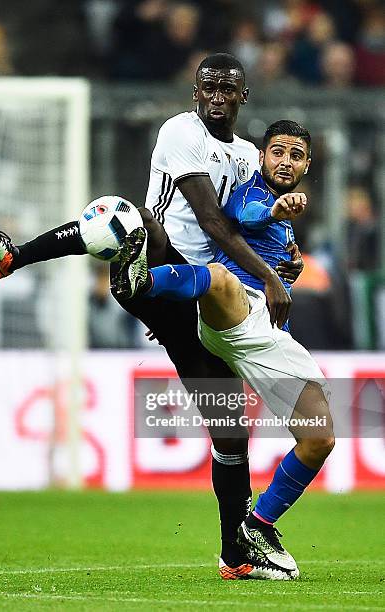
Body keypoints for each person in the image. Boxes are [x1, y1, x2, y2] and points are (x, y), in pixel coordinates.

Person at [0, 54, 304, 580]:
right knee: (125, 215)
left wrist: (285, 258)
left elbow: (246, 226)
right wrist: (264, 275)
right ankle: (13, 256)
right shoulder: (181, 132)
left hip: (201, 303)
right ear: (195, 92)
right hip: (161, 260)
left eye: (228, 89)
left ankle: (236, 554)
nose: (217, 97)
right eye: (208, 88)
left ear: (245, 97)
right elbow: (213, 222)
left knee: (228, 428)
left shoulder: (247, 156)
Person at [113, 119, 335, 578]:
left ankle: (255, 529)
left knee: (319, 438)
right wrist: (277, 212)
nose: (285, 161)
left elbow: (274, 245)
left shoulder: (287, 226)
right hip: (235, 312)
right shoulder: (252, 191)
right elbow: (246, 215)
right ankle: (142, 283)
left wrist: (287, 265)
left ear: (307, 164)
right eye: (278, 151)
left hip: (267, 337)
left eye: (296, 155)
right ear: (262, 155)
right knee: (218, 278)